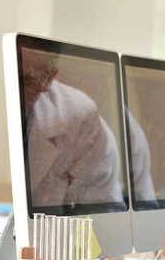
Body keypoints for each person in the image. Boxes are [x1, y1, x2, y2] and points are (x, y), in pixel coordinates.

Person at [22, 57, 125, 210]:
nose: (18, 92)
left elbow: (101, 210)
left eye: (25, 81)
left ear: (49, 78)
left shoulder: (81, 117)